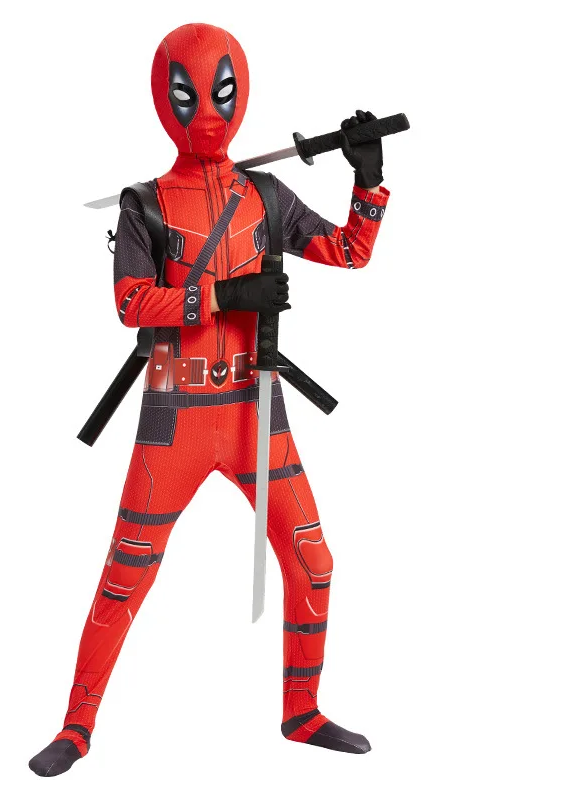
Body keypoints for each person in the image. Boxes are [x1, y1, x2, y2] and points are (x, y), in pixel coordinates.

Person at [29, 22, 391, 777]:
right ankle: (76, 726)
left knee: (314, 562)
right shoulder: (146, 204)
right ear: (163, 99)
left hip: (257, 407)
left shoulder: (266, 196)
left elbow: (349, 253)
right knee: (127, 573)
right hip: (173, 414)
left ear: (242, 94)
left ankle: (302, 711)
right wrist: (225, 295)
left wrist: (367, 182)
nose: (206, 113)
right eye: (188, 95)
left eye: (221, 95)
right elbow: (131, 302)